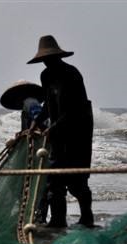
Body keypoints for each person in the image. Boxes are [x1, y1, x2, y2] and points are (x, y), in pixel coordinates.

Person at [28, 35, 94, 228]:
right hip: (58, 133)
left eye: (51, 58)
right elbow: (48, 105)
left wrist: (53, 128)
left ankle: (86, 218)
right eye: (45, 60)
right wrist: (36, 123)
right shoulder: (45, 76)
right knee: (54, 180)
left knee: (77, 180)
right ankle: (58, 220)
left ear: (58, 56)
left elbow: (75, 109)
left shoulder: (72, 74)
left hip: (78, 132)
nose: (48, 62)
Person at [0, 80, 49, 222]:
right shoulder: (27, 105)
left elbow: (41, 122)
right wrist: (18, 137)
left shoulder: (30, 101)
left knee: (33, 183)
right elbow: (29, 128)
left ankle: (37, 215)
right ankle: (37, 215)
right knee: (35, 184)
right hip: (34, 149)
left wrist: (27, 134)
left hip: (38, 149)